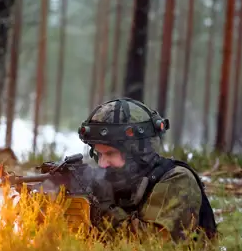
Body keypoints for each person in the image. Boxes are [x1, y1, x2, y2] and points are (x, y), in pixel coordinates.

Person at [78, 97, 217, 242]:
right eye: (99, 154)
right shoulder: (113, 182)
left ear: (137, 152)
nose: (102, 164)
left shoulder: (177, 180)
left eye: (110, 153)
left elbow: (150, 245)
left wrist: (105, 209)